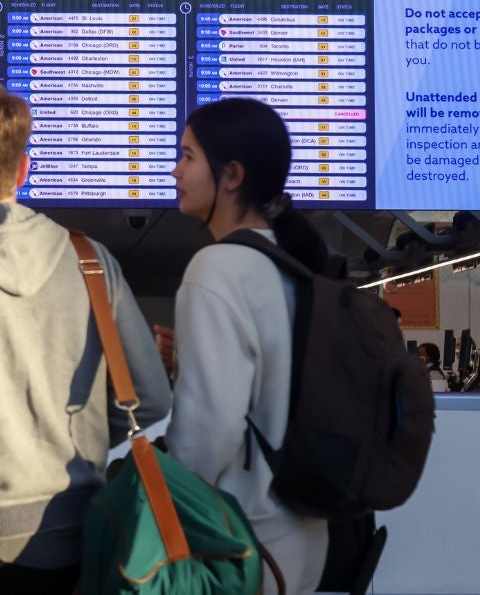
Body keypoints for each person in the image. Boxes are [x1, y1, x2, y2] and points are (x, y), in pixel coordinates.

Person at [0, 81, 171, 595]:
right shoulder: (90, 260)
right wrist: (66, 444)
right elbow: (150, 400)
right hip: (76, 545)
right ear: (23, 168)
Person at [165, 97, 329, 595]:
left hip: (240, 544)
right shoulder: (291, 263)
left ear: (231, 175)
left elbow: (206, 435)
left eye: (188, 156)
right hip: (302, 540)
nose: (175, 170)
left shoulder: (216, 268)